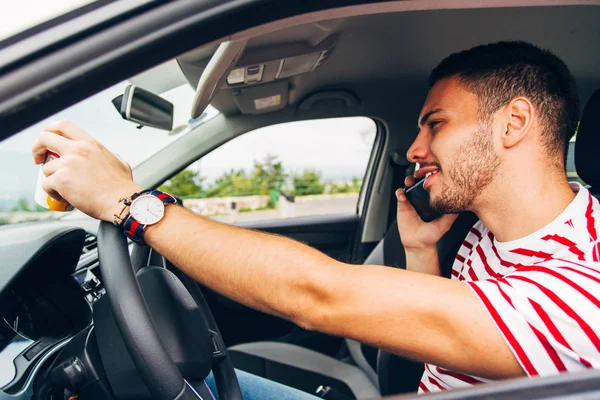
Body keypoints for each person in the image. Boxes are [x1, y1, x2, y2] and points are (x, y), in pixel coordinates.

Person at [31, 40, 600, 398]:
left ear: (513, 122)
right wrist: (422, 252)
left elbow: (318, 295)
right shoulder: (487, 231)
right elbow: (439, 349)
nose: (416, 146)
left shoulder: (578, 288)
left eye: (436, 123)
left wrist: (128, 204)